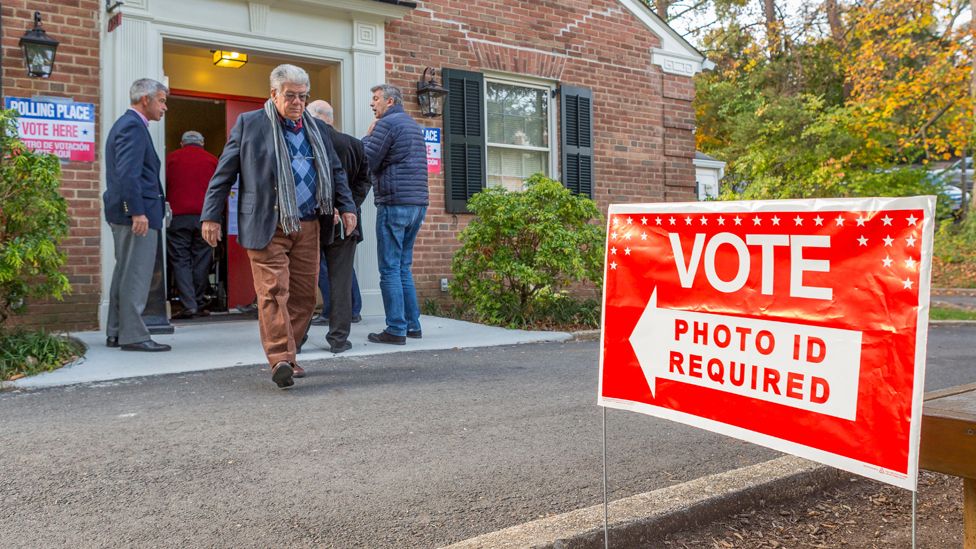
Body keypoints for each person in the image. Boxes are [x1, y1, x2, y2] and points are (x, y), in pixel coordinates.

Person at [200, 64, 355, 388]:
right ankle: (280, 358)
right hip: (268, 222)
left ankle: (290, 352)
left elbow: (336, 171)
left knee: (304, 298)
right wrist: (211, 215)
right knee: (273, 291)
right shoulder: (250, 124)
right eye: (290, 96)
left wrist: (347, 206)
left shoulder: (317, 128)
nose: (297, 102)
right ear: (273, 94)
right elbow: (224, 173)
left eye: (302, 96)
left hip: (310, 223)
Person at [102, 78, 171, 352]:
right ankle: (133, 336)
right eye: (162, 100)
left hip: (128, 213)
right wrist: (137, 212)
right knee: (136, 277)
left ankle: (117, 331)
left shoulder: (129, 126)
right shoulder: (132, 127)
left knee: (124, 273)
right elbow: (127, 175)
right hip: (135, 215)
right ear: (146, 100)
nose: (165, 107)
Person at [361, 84, 429, 345]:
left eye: (376, 99)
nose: (372, 104)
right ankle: (413, 325)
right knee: (403, 267)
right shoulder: (411, 124)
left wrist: (367, 136)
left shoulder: (386, 125)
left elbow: (367, 160)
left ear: (390, 101)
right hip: (417, 204)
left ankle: (396, 329)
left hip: (395, 203)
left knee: (389, 268)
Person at [307, 101, 369, 331]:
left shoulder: (311, 141)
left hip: (321, 215)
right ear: (330, 118)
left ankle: (330, 310)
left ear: (314, 117)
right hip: (350, 218)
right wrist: (350, 206)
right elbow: (365, 180)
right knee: (345, 267)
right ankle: (354, 310)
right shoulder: (355, 144)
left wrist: (333, 207)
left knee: (322, 264)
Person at [165, 130, 218, 319]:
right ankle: (197, 300)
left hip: (177, 217)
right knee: (202, 259)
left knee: (180, 260)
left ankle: (189, 304)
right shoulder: (212, 160)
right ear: (202, 143)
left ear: (182, 143)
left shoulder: (170, 159)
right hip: (205, 217)